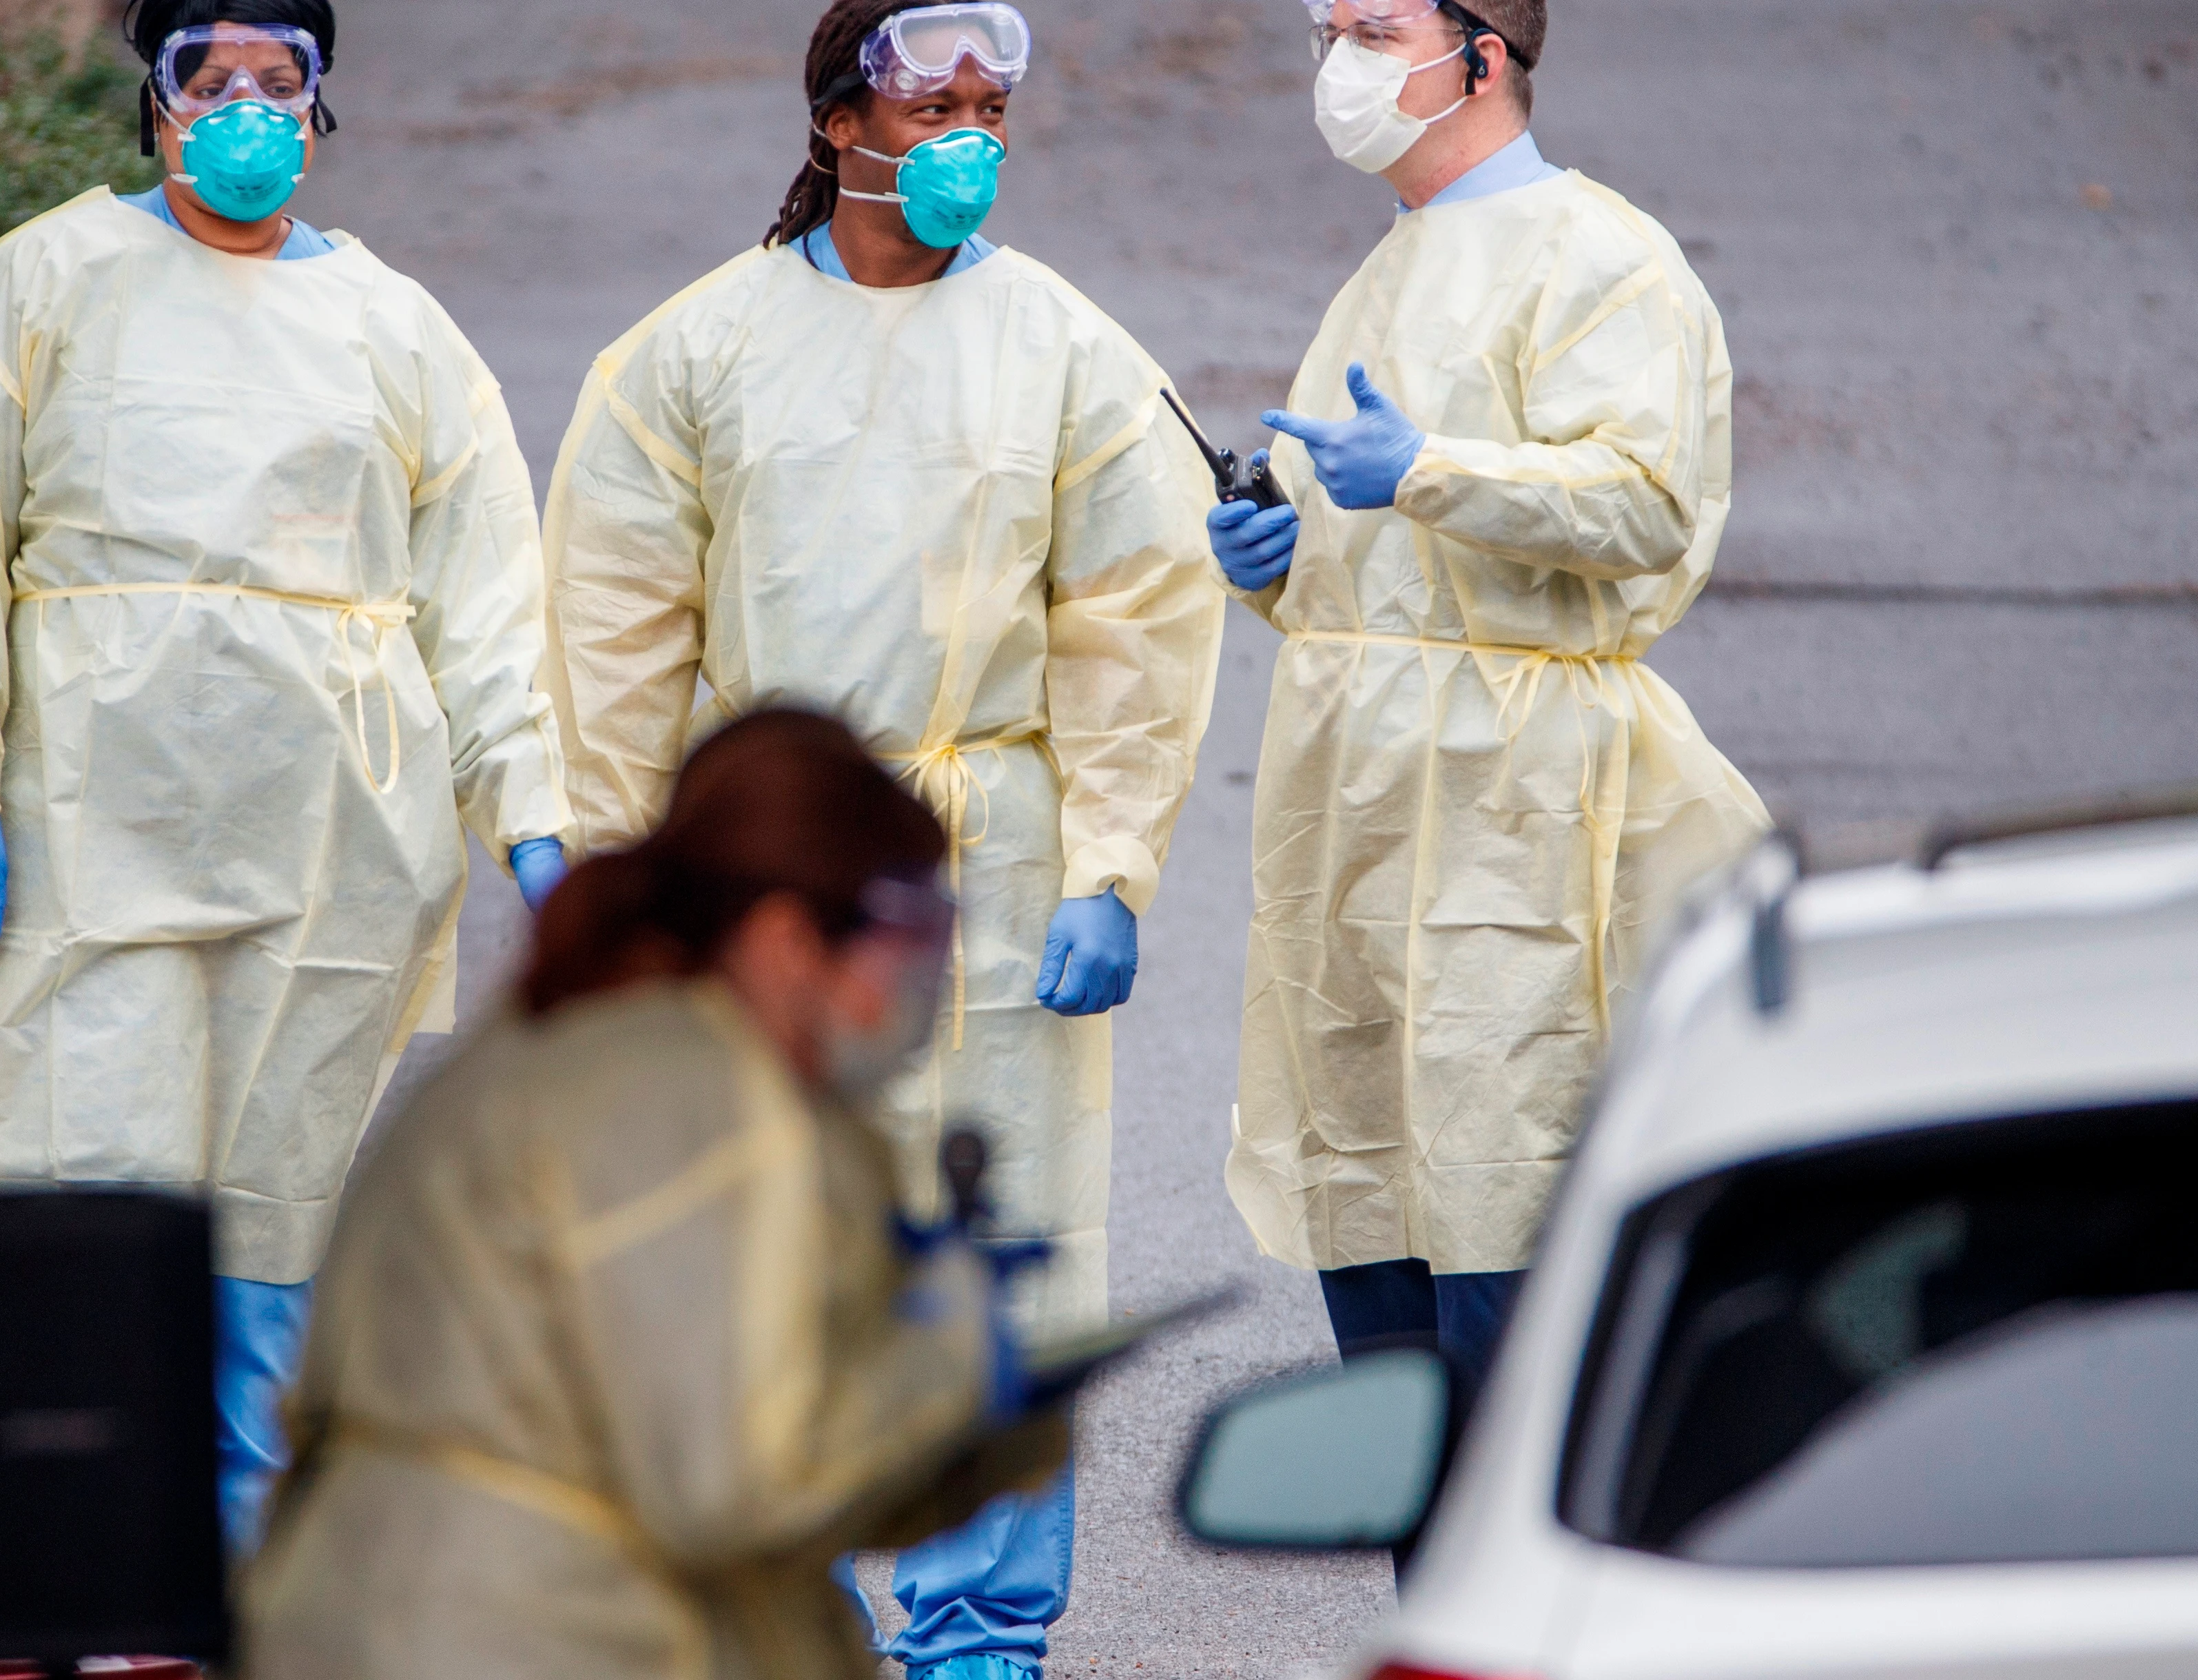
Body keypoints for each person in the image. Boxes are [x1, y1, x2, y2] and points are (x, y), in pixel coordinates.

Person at [540, 5, 1223, 1672]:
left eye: (996, 107)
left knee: (989, 1266)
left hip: (983, 860)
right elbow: (613, 627)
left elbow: (1137, 613)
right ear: (841, 122)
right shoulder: (693, 355)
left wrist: (1110, 864)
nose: (971, 138)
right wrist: (610, 868)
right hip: (765, 880)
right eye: (937, 105)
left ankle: (981, 1632)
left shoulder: (1064, 348)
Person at [0, 0, 570, 1553]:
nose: (247, 107)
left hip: (333, 839)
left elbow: (483, 589)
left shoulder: (396, 329)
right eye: (214, 76)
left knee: (271, 1220)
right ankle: (65, 1579)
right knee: (75, 1191)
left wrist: (533, 817)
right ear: (156, 92)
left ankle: (249, 1591)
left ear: (322, 103)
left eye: (284, 78)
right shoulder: (26, 290)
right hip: (80, 831)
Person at [240, 710, 1067, 1680]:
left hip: (400, 1610)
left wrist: (981, 1441)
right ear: (787, 941)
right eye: (908, 935)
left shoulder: (609, 1039)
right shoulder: (694, 1096)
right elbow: (744, 1482)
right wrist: (956, 1347)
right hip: (505, 1631)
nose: (927, 975)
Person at [1214, 0, 1767, 1423]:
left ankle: (1535, 1617)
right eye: (1327, 26)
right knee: (1374, 1224)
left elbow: (1644, 502)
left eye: (1375, 25)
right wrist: (1280, 569)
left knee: (1500, 1208)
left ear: (1481, 49)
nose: (1340, 59)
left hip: (1510, 810)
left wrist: (1423, 472)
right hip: (1356, 811)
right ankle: (1436, 1612)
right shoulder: (1388, 271)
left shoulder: (1599, 257)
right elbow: (1387, 575)